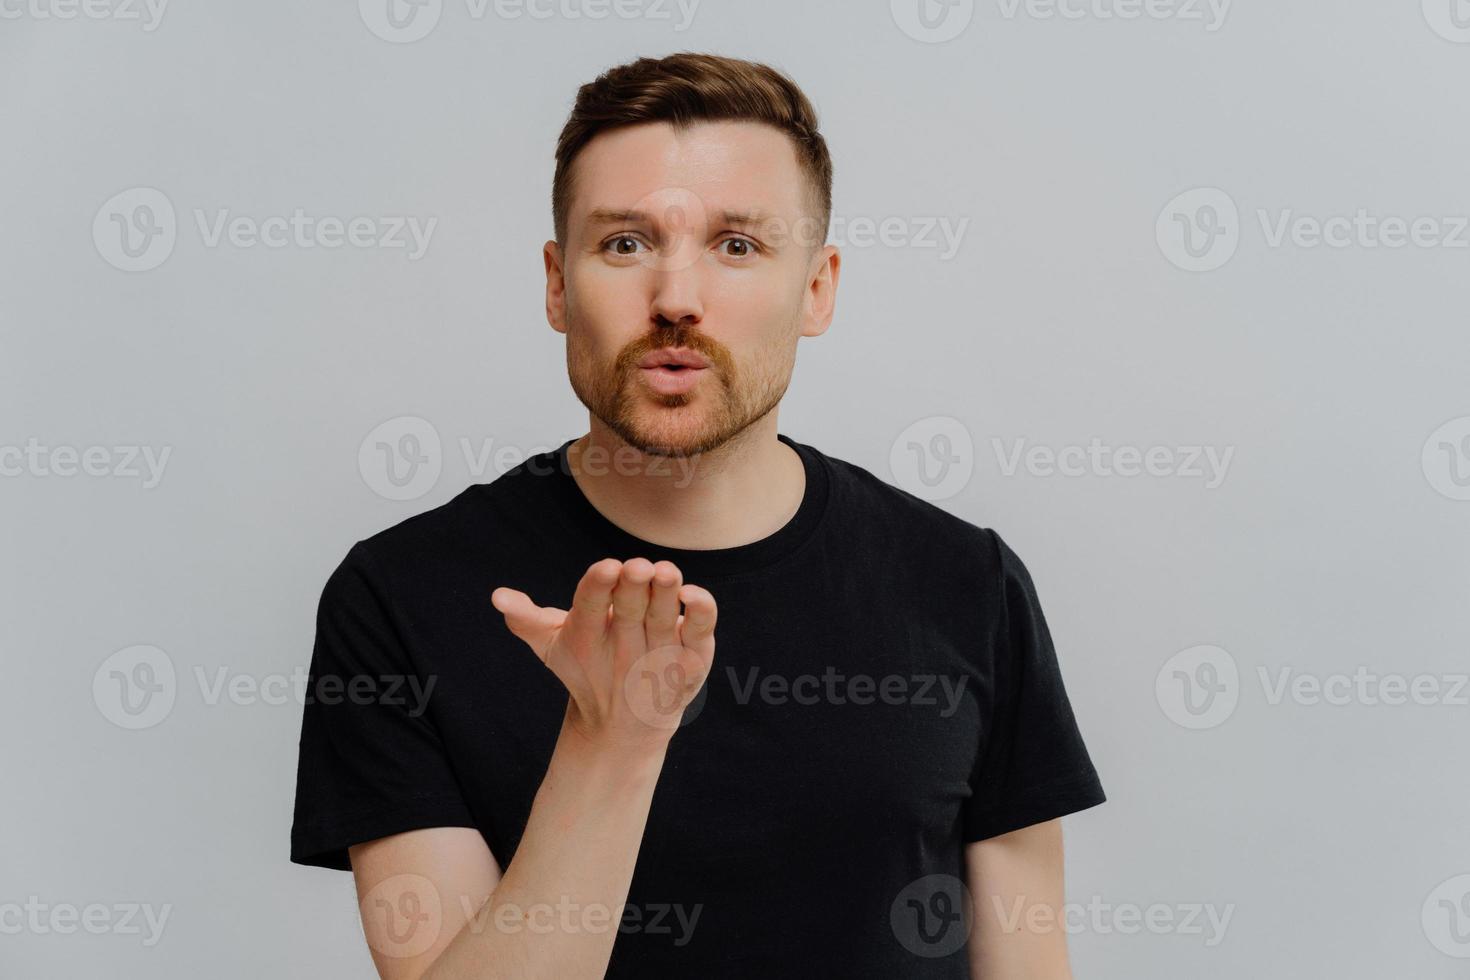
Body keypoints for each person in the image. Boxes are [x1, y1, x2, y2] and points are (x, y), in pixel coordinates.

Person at [290, 51, 1106, 980]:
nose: (676, 299)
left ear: (817, 289)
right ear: (558, 285)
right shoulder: (400, 597)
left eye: (738, 245)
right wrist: (612, 743)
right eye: (625, 243)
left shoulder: (968, 584)